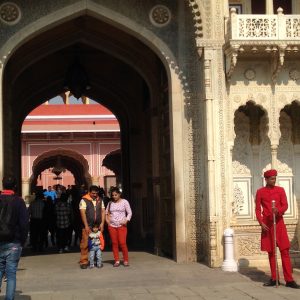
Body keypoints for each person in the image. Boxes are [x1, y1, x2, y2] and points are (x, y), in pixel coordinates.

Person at [255, 169, 300, 289]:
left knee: (285, 251)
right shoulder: (260, 192)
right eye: (271, 179)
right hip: (267, 225)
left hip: (279, 223)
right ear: (266, 179)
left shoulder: (280, 190)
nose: (273, 180)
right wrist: (260, 222)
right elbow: (258, 209)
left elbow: (285, 205)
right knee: (271, 252)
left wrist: (278, 210)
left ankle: (289, 280)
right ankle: (274, 278)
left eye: (275, 178)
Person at [0, 176, 29, 300]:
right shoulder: (18, 201)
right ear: (15, 186)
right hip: (14, 242)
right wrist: (23, 240)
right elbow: (24, 223)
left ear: (3, 185)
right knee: (11, 274)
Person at [79, 185, 105, 269]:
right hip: (88, 225)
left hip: (97, 226)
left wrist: (102, 224)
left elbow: (103, 212)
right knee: (85, 244)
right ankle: (84, 261)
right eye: (93, 193)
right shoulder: (84, 200)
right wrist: (86, 225)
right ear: (89, 192)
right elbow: (82, 213)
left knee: (97, 243)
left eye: (96, 193)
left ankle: (97, 260)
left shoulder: (100, 200)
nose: (95, 195)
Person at [106, 187, 132, 267]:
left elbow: (130, 212)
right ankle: (116, 260)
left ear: (119, 194)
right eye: (113, 195)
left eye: (116, 195)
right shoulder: (110, 203)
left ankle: (125, 260)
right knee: (114, 243)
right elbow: (106, 213)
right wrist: (107, 221)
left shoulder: (125, 202)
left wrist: (126, 220)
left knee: (122, 243)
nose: (114, 196)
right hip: (112, 226)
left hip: (122, 225)